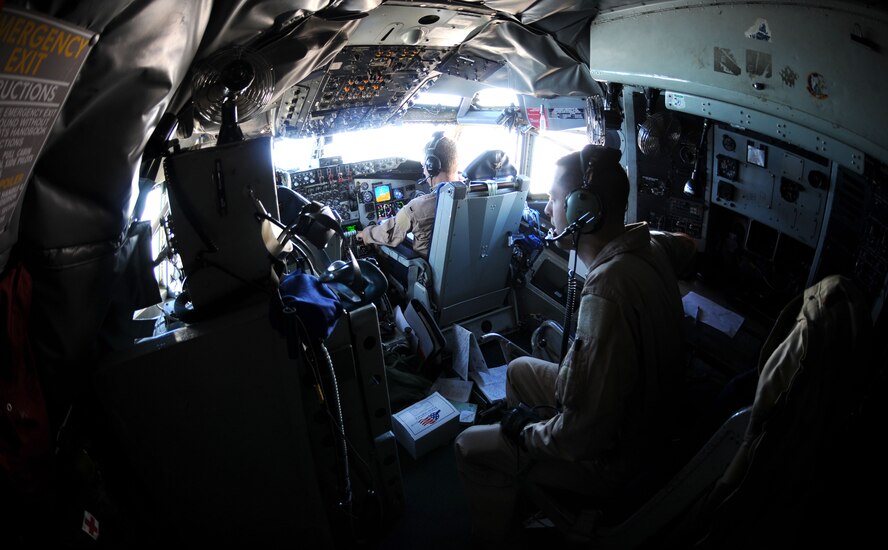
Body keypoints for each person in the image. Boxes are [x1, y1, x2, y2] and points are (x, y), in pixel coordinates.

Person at [454, 144, 696, 544]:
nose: (548, 210)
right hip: (645, 421)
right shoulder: (648, 245)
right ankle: (533, 491)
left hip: (615, 460)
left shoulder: (606, 291)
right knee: (517, 370)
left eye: (553, 199)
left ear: (584, 209)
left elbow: (582, 435)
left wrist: (523, 433)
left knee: (467, 446)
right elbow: (685, 245)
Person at [356, 132, 461, 258]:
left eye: (424, 167)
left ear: (431, 166)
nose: (423, 171)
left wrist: (364, 233)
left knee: (379, 247)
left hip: (427, 272)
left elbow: (389, 235)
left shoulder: (419, 207)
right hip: (469, 269)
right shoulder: (479, 193)